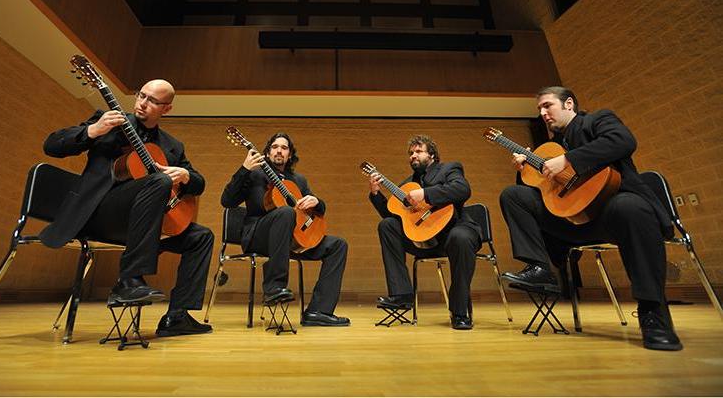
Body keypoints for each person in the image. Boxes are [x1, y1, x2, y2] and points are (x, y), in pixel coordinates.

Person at [499, 86, 682, 351]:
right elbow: (543, 189)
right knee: (513, 195)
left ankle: (654, 314)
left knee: (630, 207)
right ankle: (540, 269)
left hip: (611, 212)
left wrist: (568, 159)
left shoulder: (598, 120)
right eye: (539, 109)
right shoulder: (550, 147)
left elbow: (623, 141)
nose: (542, 113)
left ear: (569, 104)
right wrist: (525, 169)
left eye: (547, 106)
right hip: (571, 221)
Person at [40, 79, 214, 337]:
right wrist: (92, 131)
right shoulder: (109, 122)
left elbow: (199, 184)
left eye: (153, 101)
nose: (143, 103)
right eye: (141, 95)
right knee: (159, 180)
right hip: (100, 214)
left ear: (167, 109)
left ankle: (177, 316)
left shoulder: (172, 146)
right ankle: (129, 280)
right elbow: (52, 145)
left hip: (143, 223)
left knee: (201, 237)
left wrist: (187, 176)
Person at [220, 132, 350, 326]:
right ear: (267, 152)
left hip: (291, 239)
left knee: (338, 245)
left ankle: (318, 311)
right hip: (258, 236)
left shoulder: (298, 180)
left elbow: (318, 211)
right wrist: (244, 169)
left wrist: (317, 202)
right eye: (274, 147)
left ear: (289, 155)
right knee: (286, 213)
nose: (279, 150)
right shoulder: (254, 175)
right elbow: (227, 201)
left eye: (284, 147)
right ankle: (274, 288)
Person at [369, 135, 482, 330]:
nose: (413, 155)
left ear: (432, 155)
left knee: (461, 237)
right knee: (387, 225)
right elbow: (394, 215)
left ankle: (460, 311)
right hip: (425, 240)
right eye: (411, 153)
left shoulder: (449, 169)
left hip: (454, 231)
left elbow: (462, 189)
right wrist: (376, 194)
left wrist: (425, 194)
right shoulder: (406, 185)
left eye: (418, 151)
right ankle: (402, 294)